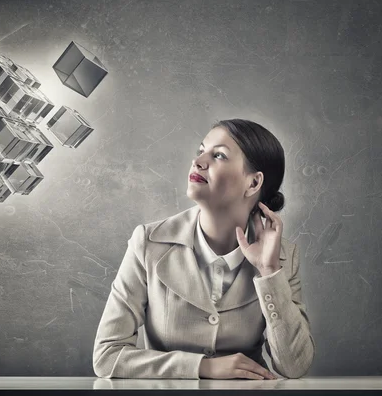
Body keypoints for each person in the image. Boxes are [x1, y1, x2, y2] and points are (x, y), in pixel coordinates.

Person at [92, 118, 315, 380]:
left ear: (253, 184)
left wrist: (269, 272)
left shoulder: (281, 259)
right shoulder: (148, 242)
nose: (198, 161)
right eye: (201, 150)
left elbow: (294, 366)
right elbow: (107, 356)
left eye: (218, 155)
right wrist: (201, 367)